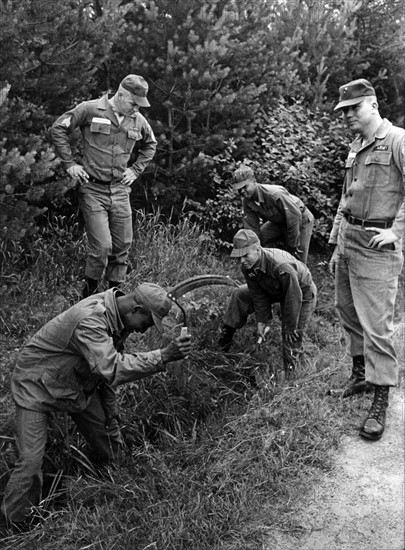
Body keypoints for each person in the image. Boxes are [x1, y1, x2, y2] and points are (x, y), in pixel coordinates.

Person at [0, 283, 191, 531]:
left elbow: (105, 370)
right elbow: (112, 367)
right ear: (136, 309)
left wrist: (111, 412)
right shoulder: (91, 320)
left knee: (108, 436)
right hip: (35, 384)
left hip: (77, 383)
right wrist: (162, 356)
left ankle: (113, 480)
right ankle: (12, 524)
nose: (144, 331)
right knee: (30, 462)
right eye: (146, 323)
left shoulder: (118, 316)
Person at [328, 78, 404, 441]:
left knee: (377, 326)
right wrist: (335, 241)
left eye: (354, 108)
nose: (348, 116)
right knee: (348, 312)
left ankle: (380, 400)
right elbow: (347, 197)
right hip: (349, 241)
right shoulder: (356, 146)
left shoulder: (398, 140)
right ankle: (359, 376)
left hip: (378, 245)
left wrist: (398, 231)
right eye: (344, 111)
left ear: (372, 105)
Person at [51, 74, 157, 298]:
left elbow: (150, 145)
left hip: (120, 190)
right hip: (93, 190)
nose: (136, 109)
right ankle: (88, 297)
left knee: (122, 247)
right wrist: (69, 164)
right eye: (133, 103)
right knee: (101, 248)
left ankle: (113, 300)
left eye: (140, 105)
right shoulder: (90, 109)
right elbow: (58, 129)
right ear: (120, 95)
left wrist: (135, 170)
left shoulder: (137, 120)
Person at [218, 229, 317, 376]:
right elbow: (257, 294)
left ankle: (293, 377)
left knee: (291, 335)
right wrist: (262, 321)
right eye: (239, 257)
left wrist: (289, 326)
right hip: (273, 288)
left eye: (245, 255)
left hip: (301, 293)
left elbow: (293, 297)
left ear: (258, 249)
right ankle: (223, 345)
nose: (242, 261)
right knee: (240, 293)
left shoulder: (280, 265)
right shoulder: (247, 266)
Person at [232, 165, 314, 263]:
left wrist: (292, 245)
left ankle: (299, 275)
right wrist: (252, 251)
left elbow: (294, 218)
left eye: (245, 187)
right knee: (257, 241)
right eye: (239, 189)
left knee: (297, 258)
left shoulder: (275, 194)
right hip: (279, 221)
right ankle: (267, 269)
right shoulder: (247, 201)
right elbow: (252, 229)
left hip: (301, 220)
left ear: (254, 181)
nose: (242, 192)